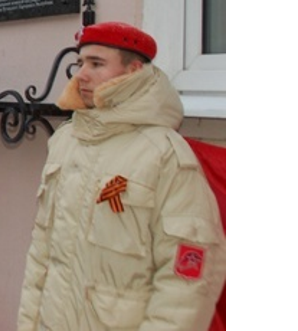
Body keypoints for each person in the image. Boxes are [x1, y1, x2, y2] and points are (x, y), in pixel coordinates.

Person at [17, 22, 226, 331]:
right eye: (80, 63)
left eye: (97, 64)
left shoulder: (164, 154)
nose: (81, 75)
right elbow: (41, 254)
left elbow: (188, 276)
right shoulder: (66, 141)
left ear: (133, 71)